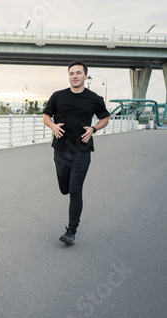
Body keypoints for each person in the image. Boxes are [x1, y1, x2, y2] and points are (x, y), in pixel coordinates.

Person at [43, 60, 110, 245]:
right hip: (60, 151)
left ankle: (71, 232)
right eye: (72, 73)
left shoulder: (94, 98)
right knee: (64, 189)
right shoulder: (58, 96)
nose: (75, 76)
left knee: (75, 190)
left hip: (82, 151)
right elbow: (46, 115)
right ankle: (71, 223)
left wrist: (94, 129)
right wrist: (52, 125)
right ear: (69, 76)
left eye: (79, 73)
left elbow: (105, 118)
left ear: (85, 76)